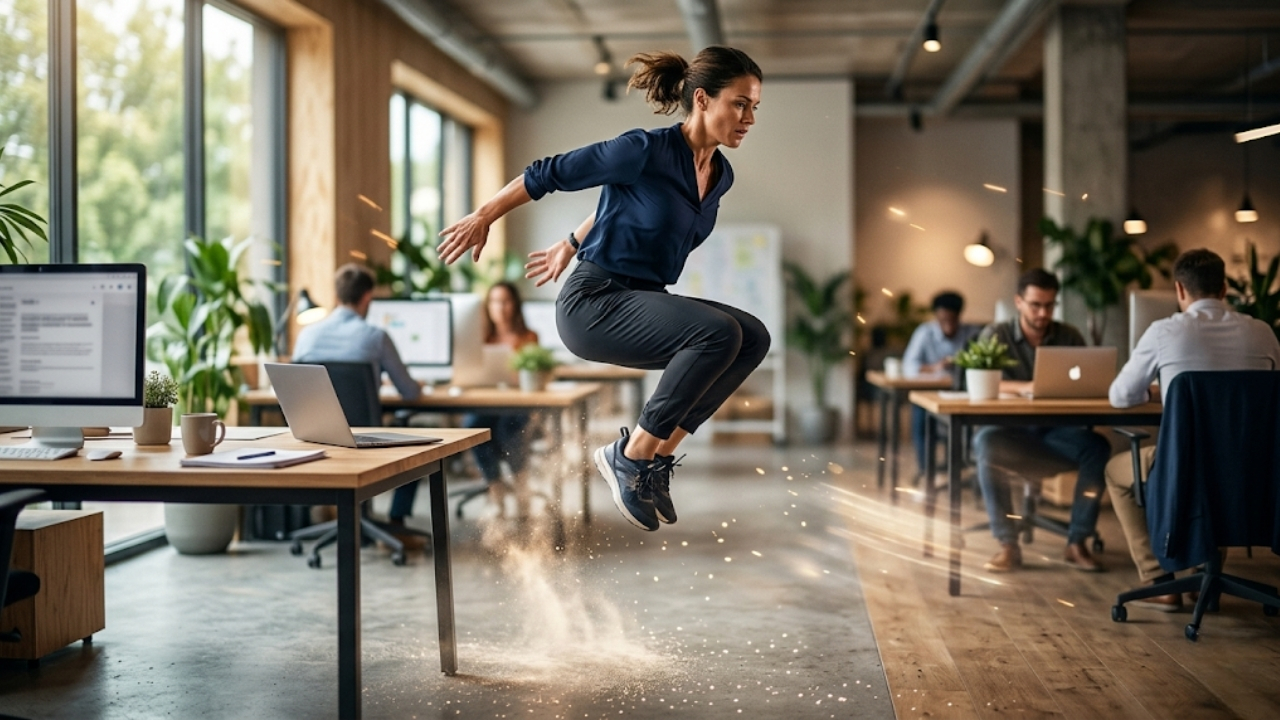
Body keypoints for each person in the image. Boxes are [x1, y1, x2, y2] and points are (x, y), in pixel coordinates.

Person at [436, 46, 770, 531]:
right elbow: (548, 172)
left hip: (643, 296)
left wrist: (572, 239)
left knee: (752, 337)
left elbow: (630, 205)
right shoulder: (645, 149)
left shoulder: (719, 176)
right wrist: (483, 215)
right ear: (702, 99)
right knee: (716, 332)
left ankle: (652, 460)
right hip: (595, 302)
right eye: (740, 104)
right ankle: (628, 455)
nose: (749, 118)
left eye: (755, 106)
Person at [1106, 248, 1280, 611]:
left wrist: (1156, 390)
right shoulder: (1263, 334)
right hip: (1251, 472)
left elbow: (1120, 397)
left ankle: (1160, 580)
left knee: (1115, 471)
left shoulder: (1165, 331)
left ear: (1179, 290)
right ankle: (1206, 576)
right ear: (1225, 288)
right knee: (1222, 462)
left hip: (1182, 468)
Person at [974, 268, 1110, 573]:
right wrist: (1025, 387)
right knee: (985, 442)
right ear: (1018, 302)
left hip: (1054, 435)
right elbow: (978, 382)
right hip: (1012, 437)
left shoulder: (1068, 336)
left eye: (1049, 305)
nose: (1042, 313)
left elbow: (1087, 382)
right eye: (1035, 305)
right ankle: (1008, 544)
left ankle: (1077, 542)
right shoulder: (996, 335)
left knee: (1097, 447)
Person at [292, 264, 425, 543]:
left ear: (337, 295)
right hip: (364, 438)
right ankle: (397, 520)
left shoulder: (307, 336)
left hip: (315, 438)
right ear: (367, 297)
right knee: (422, 443)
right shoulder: (375, 337)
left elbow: (297, 388)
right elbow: (409, 392)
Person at [464, 282, 539, 496]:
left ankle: (521, 487)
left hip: (517, 403)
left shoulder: (528, 337)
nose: (500, 307)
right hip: (487, 402)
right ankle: (496, 492)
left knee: (508, 429)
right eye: (495, 301)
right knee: (474, 428)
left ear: (515, 305)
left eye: (505, 301)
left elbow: (533, 376)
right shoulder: (481, 338)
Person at [902, 291, 981, 477]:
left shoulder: (971, 333)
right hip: (927, 392)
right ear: (936, 316)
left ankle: (960, 468)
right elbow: (909, 366)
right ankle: (926, 469)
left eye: (952, 319)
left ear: (959, 316)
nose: (948, 324)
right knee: (922, 420)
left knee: (969, 423)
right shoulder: (924, 333)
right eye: (943, 319)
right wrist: (936, 367)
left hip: (959, 393)